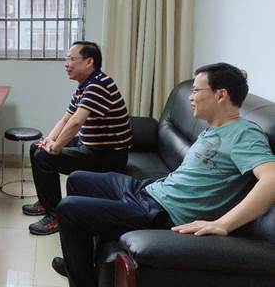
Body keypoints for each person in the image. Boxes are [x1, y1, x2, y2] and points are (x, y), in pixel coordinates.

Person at [53, 63, 275, 287]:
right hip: (150, 190)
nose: (191, 97)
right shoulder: (213, 128)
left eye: (196, 90)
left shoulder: (244, 134)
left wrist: (223, 224)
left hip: (162, 212)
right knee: (78, 179)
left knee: (69, 209)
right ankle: (80, 262)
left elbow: (271, 179)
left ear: (221, 95)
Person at [23, 41, 133, 235]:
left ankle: (56, 216)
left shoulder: (98, 85)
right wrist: (49, 140)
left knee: (44, 157)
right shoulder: (86, 85)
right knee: (37, 147)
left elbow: (76, 122)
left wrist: (56, 148)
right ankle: (46, 202)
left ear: (89, 62)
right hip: (91, 146)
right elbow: (66, 118)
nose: (66, 64)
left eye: (72, 59)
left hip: (108, 156)